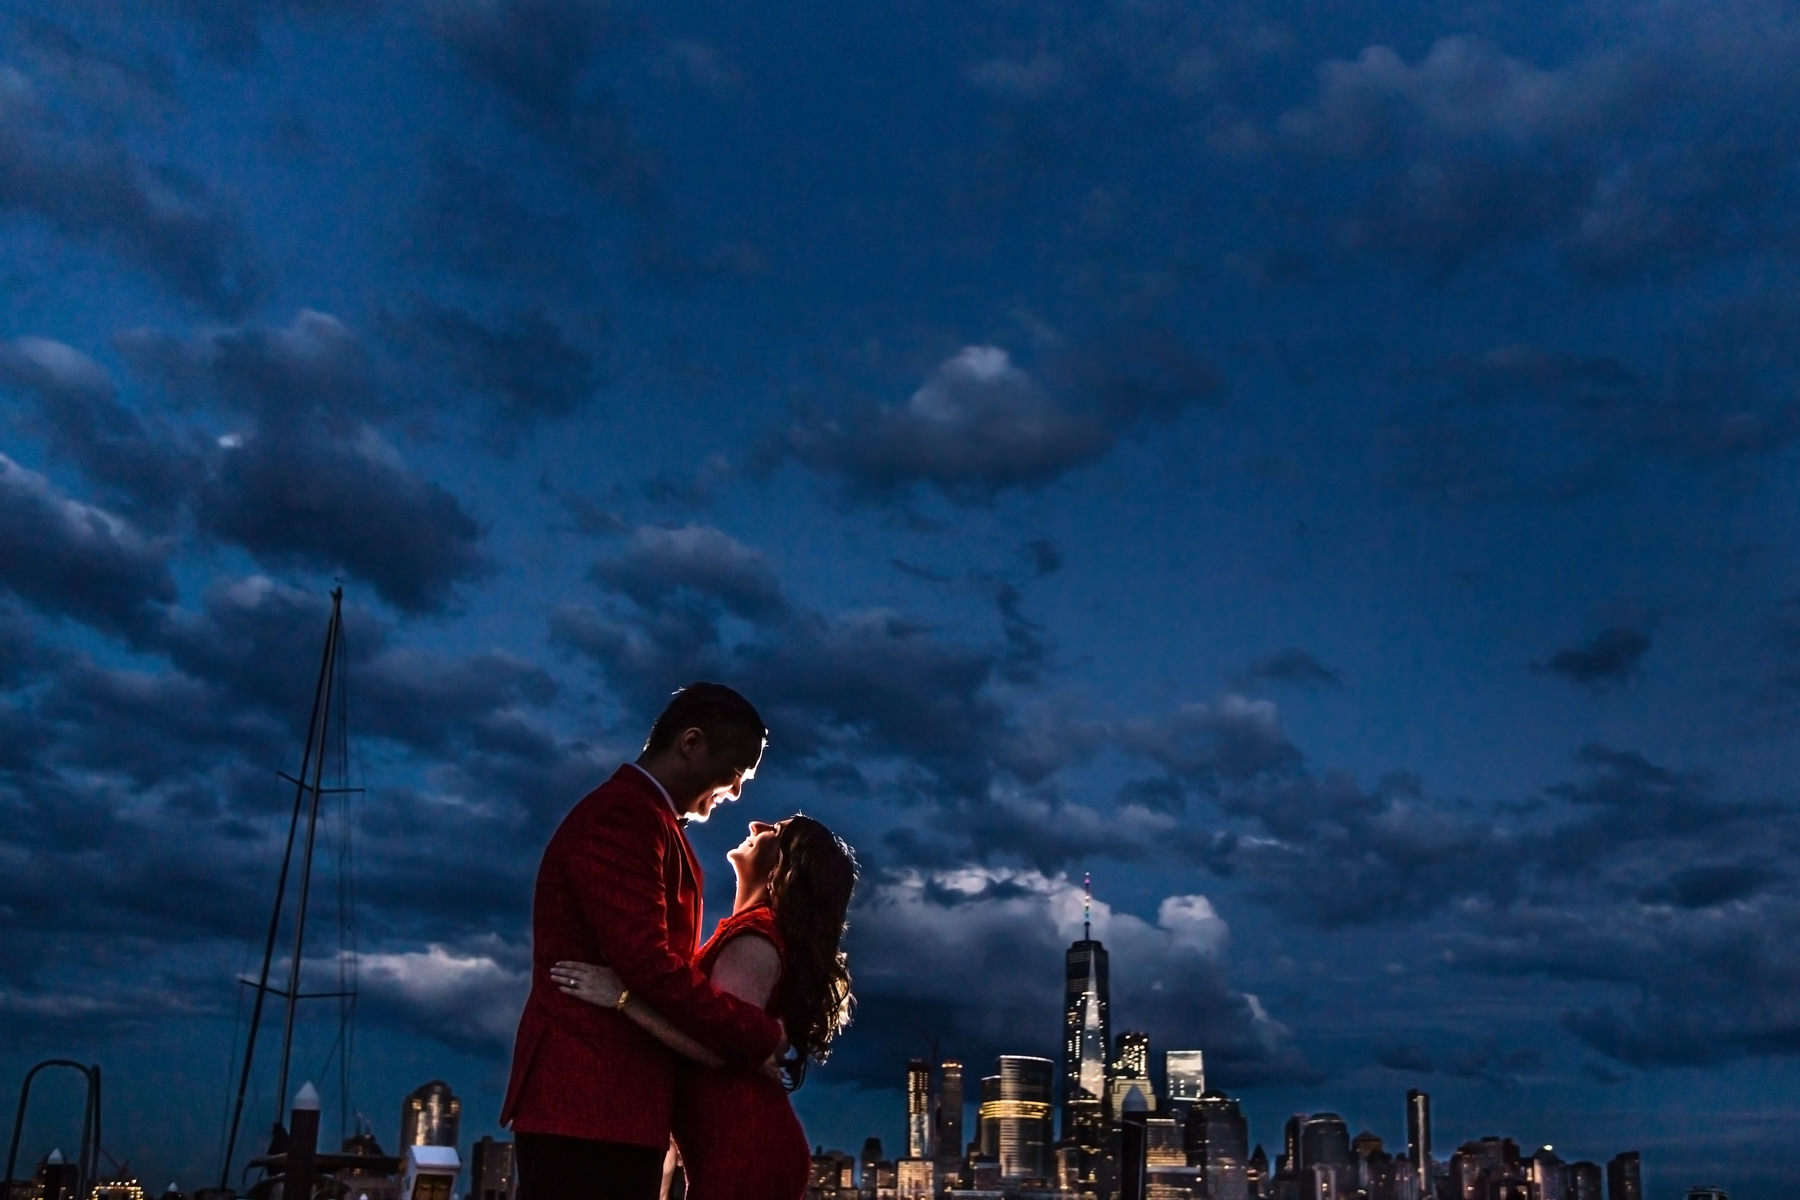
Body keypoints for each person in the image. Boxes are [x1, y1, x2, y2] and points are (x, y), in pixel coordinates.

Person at [501, 683, 789, 1200]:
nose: (738, 792)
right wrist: (757, 1035)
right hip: (589, 1103)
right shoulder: (625, 817)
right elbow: (649, 964)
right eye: (738, 773)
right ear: (692, 743)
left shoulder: (648, 819)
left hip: (610, 1108)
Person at [552, 813, 858, 1200]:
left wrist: (621, 997)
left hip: (745, 1149)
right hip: (734, 1145)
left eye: (775, 833)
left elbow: (719, 1047)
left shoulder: (756, 938)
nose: (756, 826)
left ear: (785, 871)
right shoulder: (749, 932)